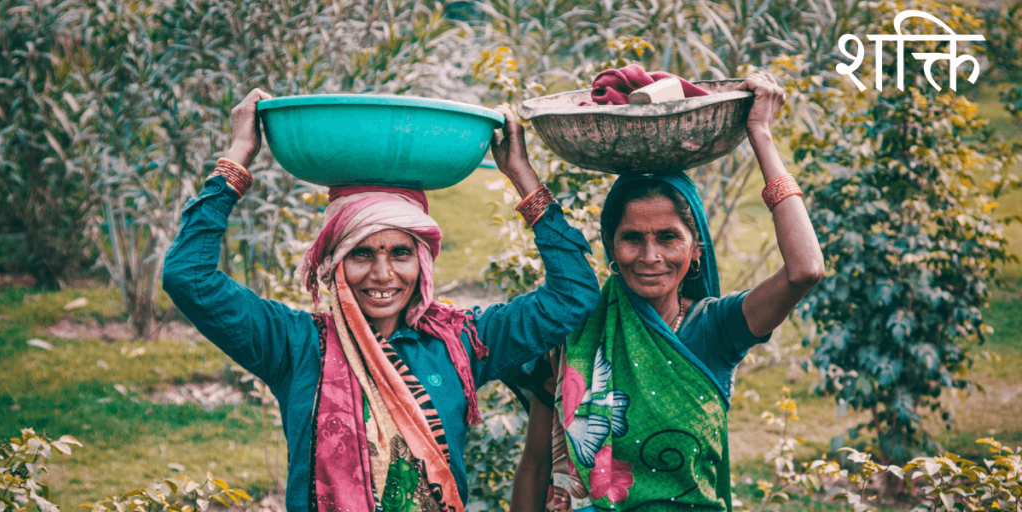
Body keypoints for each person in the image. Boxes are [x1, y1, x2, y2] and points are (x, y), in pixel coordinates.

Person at [161, 89, 601, 512]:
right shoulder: (295, 346)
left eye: (401, 253)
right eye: (362, 253)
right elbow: (189, 276)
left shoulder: (461, 343)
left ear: (423, 261)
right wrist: (239, 155)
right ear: (332, 263)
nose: (383, 274)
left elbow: (573, 294)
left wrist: (521, 175)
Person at [507, 72, 825, 512]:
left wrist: (761, 134)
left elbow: (805, 270)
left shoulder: (716, 328)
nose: (649, 256)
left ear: (696, 251)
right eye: (632, 238)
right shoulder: (578, 331)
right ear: (612, 250)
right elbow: (535, 464)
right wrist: (521, 174)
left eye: (668, 238)